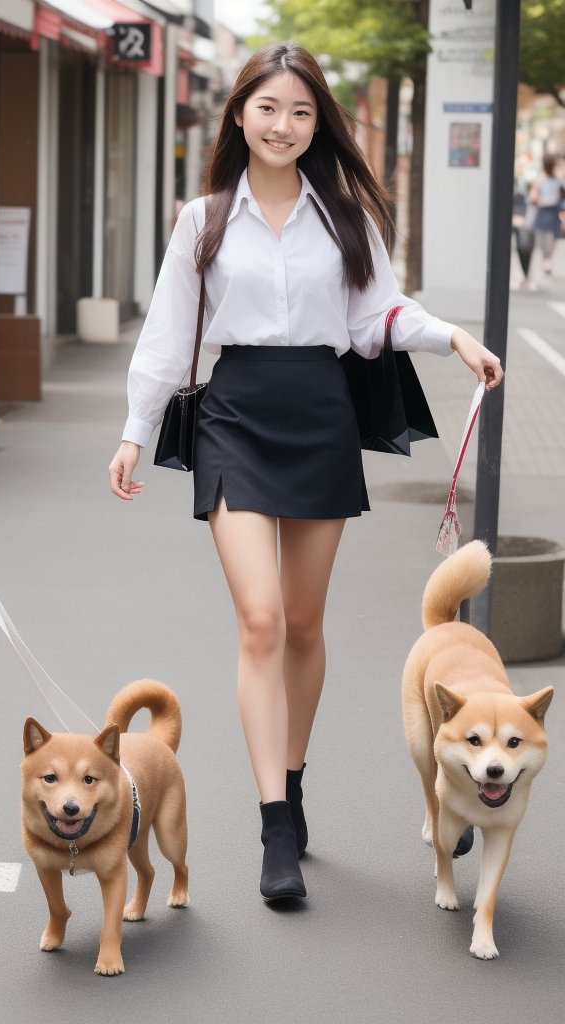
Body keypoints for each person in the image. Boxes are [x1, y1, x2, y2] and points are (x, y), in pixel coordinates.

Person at [108, 43, 503, 903]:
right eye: (267, 108)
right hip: (235, 413)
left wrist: (453, 338)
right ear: (238, 114)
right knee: (259, 621)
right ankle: (274, 821)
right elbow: (171, 336)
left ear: (316, 122)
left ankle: (293, 770)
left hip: (320, 411)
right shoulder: (203, 218)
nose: (282, 125)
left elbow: (378, 316)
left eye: (300, 112)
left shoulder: (348, 217)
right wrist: (136, 430)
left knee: (300, 622)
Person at [529, 154, 564, 277]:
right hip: (546, 212)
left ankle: (547, 260)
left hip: (551, 212)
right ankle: (547, 260)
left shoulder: (556, 180)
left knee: (550, 238)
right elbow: (534, 197)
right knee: (547, 239)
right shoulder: (542, 179)